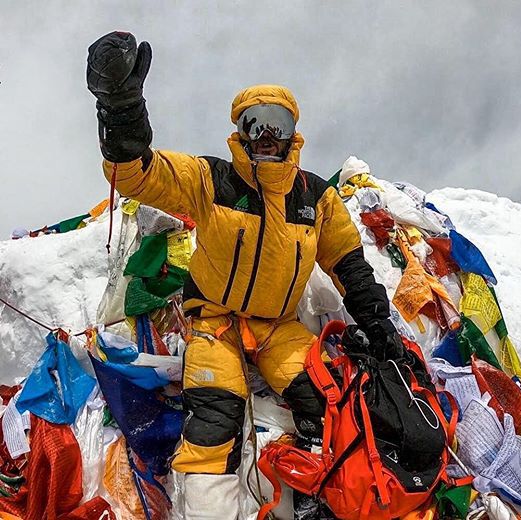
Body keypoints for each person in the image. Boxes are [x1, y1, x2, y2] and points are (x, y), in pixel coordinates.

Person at [87, 31, 404, 520]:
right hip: (213, 324)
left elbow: (349, 267)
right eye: (255, 124)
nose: (267, 135)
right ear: (241, 132)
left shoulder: (315, 199)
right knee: (215, 415)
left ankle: (319, 497)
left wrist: (379, 323)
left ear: (293, 131)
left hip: (279, 329)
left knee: (325, 401)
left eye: (278, 124)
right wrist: (121, 107)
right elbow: (138, 175)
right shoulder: (211, 179)